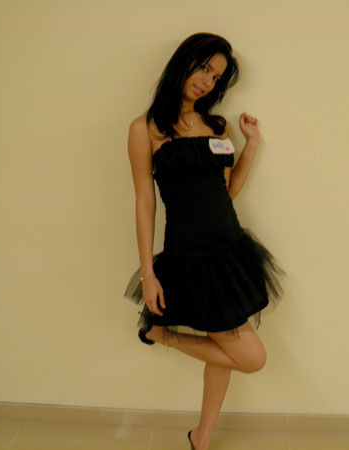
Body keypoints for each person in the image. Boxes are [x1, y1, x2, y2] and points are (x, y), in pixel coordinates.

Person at [124, 32, 283, 450]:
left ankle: (202, 438)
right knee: (252, 358)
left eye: (216, 77)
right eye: (204, 69)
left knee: (223, 346)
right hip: (189, 258)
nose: (207, 81)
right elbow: (144, 203)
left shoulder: (216, 126)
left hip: (230, 252)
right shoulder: (145, 129)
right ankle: (162, 335)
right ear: (184, 62)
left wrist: (251, 145)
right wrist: (148, 274)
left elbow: (226, 191)